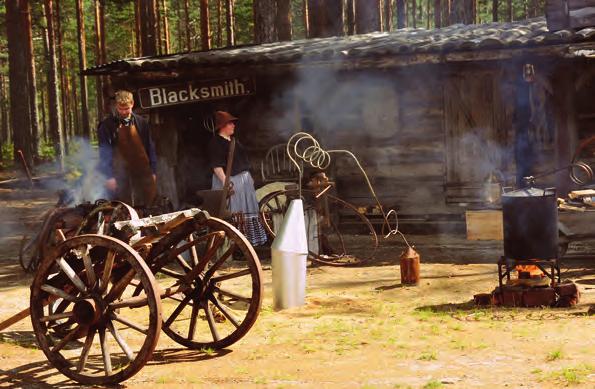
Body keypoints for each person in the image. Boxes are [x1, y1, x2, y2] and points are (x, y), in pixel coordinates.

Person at [208, 111, 267, 246]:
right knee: (234, 212)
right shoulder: (215, 143)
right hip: (231, 181)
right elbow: (216, 166)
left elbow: (242, 161)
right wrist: (226, 182)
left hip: (243, 180)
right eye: (230, 123)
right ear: (223, 126)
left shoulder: (234, 140)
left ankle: (249, 242)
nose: (233, 125)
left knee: (246, 210)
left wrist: (249, 177)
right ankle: (235, 245)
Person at [97, 90, 157, 207]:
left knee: (148, 204)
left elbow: (150, 147)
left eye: (127, 109)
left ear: (132, 104)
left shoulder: (141, 123)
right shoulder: (107, 126)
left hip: (142, 171)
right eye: (121, 109)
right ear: (116, 106)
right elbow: (104, 153)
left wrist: (153, 171)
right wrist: (109, 176)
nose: (124, 112)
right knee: (122, 207)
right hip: (119, 173)